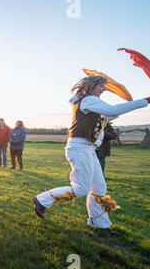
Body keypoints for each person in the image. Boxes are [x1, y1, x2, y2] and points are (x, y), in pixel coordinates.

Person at [32, 75, 150, 236]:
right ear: (91, 86)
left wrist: (126, 108)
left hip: (88, 149)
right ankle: (42, 199)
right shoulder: (87, 100)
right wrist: (146, 100)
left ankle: (99, 223)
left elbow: (110, 114)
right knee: (81, 189)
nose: (105, 89)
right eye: (101, 86)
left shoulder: (91, 103)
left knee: (100, 189)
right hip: (79, 148)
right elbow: (113, 110)